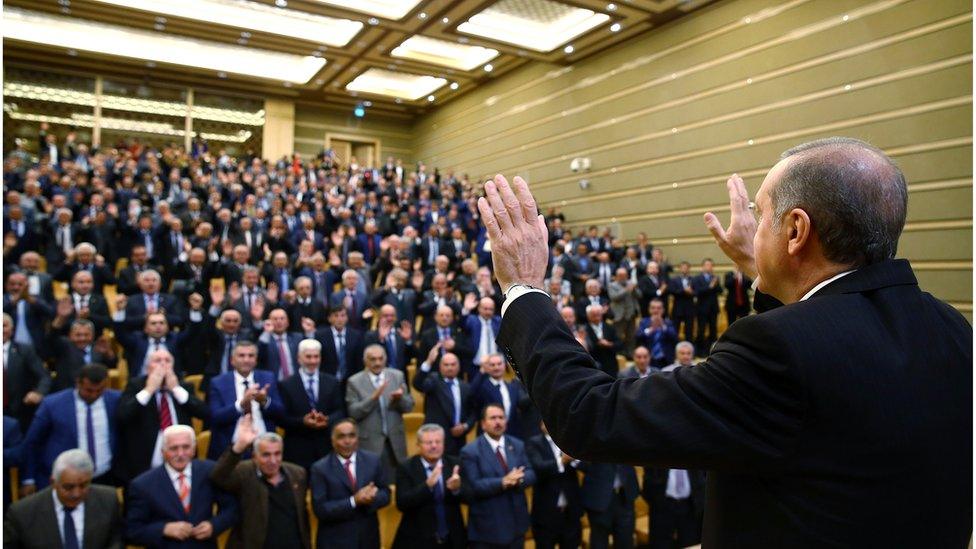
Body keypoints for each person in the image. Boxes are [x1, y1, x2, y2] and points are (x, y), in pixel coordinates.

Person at [477, 138, 972, 547]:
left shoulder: (777, 350)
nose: (754, 230)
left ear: (796, 230)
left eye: (762, 216)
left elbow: (589, 414)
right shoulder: (952, 329)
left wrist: (524, 289)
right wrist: (764, 269)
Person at [125, 425, 238, 548]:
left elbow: (231, 509)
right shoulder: (142, 485)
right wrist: (164, 529)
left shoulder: (210, 471)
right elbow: (132, 531)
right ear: (163, 452)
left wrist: (214, 525)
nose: (180, 454)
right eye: (174, 448)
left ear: (194, 449)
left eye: (186, 447)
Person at [211, 415, 311, 549]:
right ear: (254, 457)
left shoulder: (297, 473)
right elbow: (218, 477)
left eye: (277, 454)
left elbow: (303, 518)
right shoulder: (244, 471)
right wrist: (238, 447)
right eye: (266, 455)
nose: (273, 460)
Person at [21, 364, 120, 492]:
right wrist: (28, 478)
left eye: (99, 390)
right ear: (78, 383)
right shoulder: (52, 404)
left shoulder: (115, 400)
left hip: (103, 478)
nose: (94, 395)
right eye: (89, 390)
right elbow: (32, 441)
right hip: (63, 480)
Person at [116, 348, 209, 483]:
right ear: (148, 368)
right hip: (145, 461)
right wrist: (149, 390)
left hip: (181, 456)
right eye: (157, 361)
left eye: (167, 361)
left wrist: (176, 389)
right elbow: (123, 415)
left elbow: (204, 413)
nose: (163, 364)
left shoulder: (183, 387)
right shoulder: (136, 385)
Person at [4, 449, 122, 549]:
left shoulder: (108, 500)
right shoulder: (23, 513)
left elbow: (115, 541)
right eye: (68, 487)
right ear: (53, 482)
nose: (76, 493)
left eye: (83, 485)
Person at [460, 403, 535, 548]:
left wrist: (519, 479)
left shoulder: (517, 445)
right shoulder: (470, 451)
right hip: (487, 529)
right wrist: (503, 481)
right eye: (493, 418)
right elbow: (474, 485)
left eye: (501, 417)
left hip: (516, 525)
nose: (498, 422)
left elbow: (531, 473)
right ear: (483, 424)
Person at [309, 419, 391, 549]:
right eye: (341, 437)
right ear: (333, 440)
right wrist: (354, 501)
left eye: (351, 436)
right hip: (335, 542)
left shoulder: (373, 461)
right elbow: (321, 509)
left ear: (357, 438)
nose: (347, 441)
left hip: (368, 539)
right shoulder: (320, 468)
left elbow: (386, 494)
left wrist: (371, 498)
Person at [345, 344, 414, 481]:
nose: (377, 363)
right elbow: (353, 412)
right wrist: (373, 398)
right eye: (372, 359)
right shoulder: (354, 381)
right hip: (370, 442)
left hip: (395, 440)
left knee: (397, 482)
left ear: (385, 359)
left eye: (380, 359)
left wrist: (399, 399)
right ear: (365, 361)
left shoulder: (397, 376)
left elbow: (409, 407)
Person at [392, 424, 466, 549]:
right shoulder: (406, 467)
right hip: (417, 540)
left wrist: (457, 489)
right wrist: (427, 486)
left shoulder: (455, 464)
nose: (434, 446)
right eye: (428, 442)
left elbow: (470, 496)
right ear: (418, 445)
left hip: (452, 538)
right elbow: (402, 503)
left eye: (438, 442)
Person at [277, 339, 346, 471]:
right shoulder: (286, 385)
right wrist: (303, 422)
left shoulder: (332, 382)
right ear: (299, 358)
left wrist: (327, 420)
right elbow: (282, 419)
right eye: (308, 357)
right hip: (297, 448)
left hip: (326, 446)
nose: (313, 361)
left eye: (316, 357)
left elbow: (340, 411)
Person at [207, 341, 283, 459]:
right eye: (241, 355)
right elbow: (215, 417)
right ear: (232, 360)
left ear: (256, 359)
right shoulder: (218, 382)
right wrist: (241, 405)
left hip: (264, 444)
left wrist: (264, 401)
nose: (246, 360)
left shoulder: (268, 378)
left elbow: (281, 413)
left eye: (251, 356)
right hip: (231, 445)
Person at [525, 421, 583, 549]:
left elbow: (586, 466)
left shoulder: (568, 441)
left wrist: (573, 460)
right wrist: (562, 461)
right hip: (546, 514)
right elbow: (538, 467)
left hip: (570, 513)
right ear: (541, 425)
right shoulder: (534, 443)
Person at [413, 349, 476, 456]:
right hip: (436, 440)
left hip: (459, 441)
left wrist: (465, 426)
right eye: (446, 365)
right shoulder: (433, 381)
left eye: (453, 364)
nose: (450, 368)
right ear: (440, 367)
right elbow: (418, 384)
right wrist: (428, 362)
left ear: (458, 366)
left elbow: (473, 412)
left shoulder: (465, 387)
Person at [2, 313, 51, 430]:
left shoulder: (25, 350)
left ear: (12, 329)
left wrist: (38, 392)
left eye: (4, 326)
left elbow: (44, 376)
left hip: (19, 412)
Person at [642, 465, 705, 549]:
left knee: (690, 543)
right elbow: (649, 478)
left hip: (690, 505)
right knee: (660, 544)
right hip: (663, 505)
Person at [580, 461, 639, 549]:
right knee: (599, 543)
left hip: (625, 495)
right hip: (598, 497)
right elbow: (578, 460)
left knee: (625, 541)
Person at [632, 298, 677, 368]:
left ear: (663, 310)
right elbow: (638, 336)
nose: (656, 310)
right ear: (649, 310)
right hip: (648, 359)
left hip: (665, 359)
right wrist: (650, 330)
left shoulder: (668, 323)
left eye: (659, 308)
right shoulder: (644, 322)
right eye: (653, 308)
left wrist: (663, 327)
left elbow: (674, 337)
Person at [692, 258, 722, 355]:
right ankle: (700, 352)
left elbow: (720, 291)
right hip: (702, 309)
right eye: (707, 265)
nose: (709, 267)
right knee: (701, 330)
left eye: (711, 265)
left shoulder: (715, 278)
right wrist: (710, 286)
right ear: (703, 267)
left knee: (713, 330)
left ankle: (713, 351)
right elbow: (697, 292)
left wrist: (716, 285)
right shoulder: (697, 278)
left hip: (713, 308)